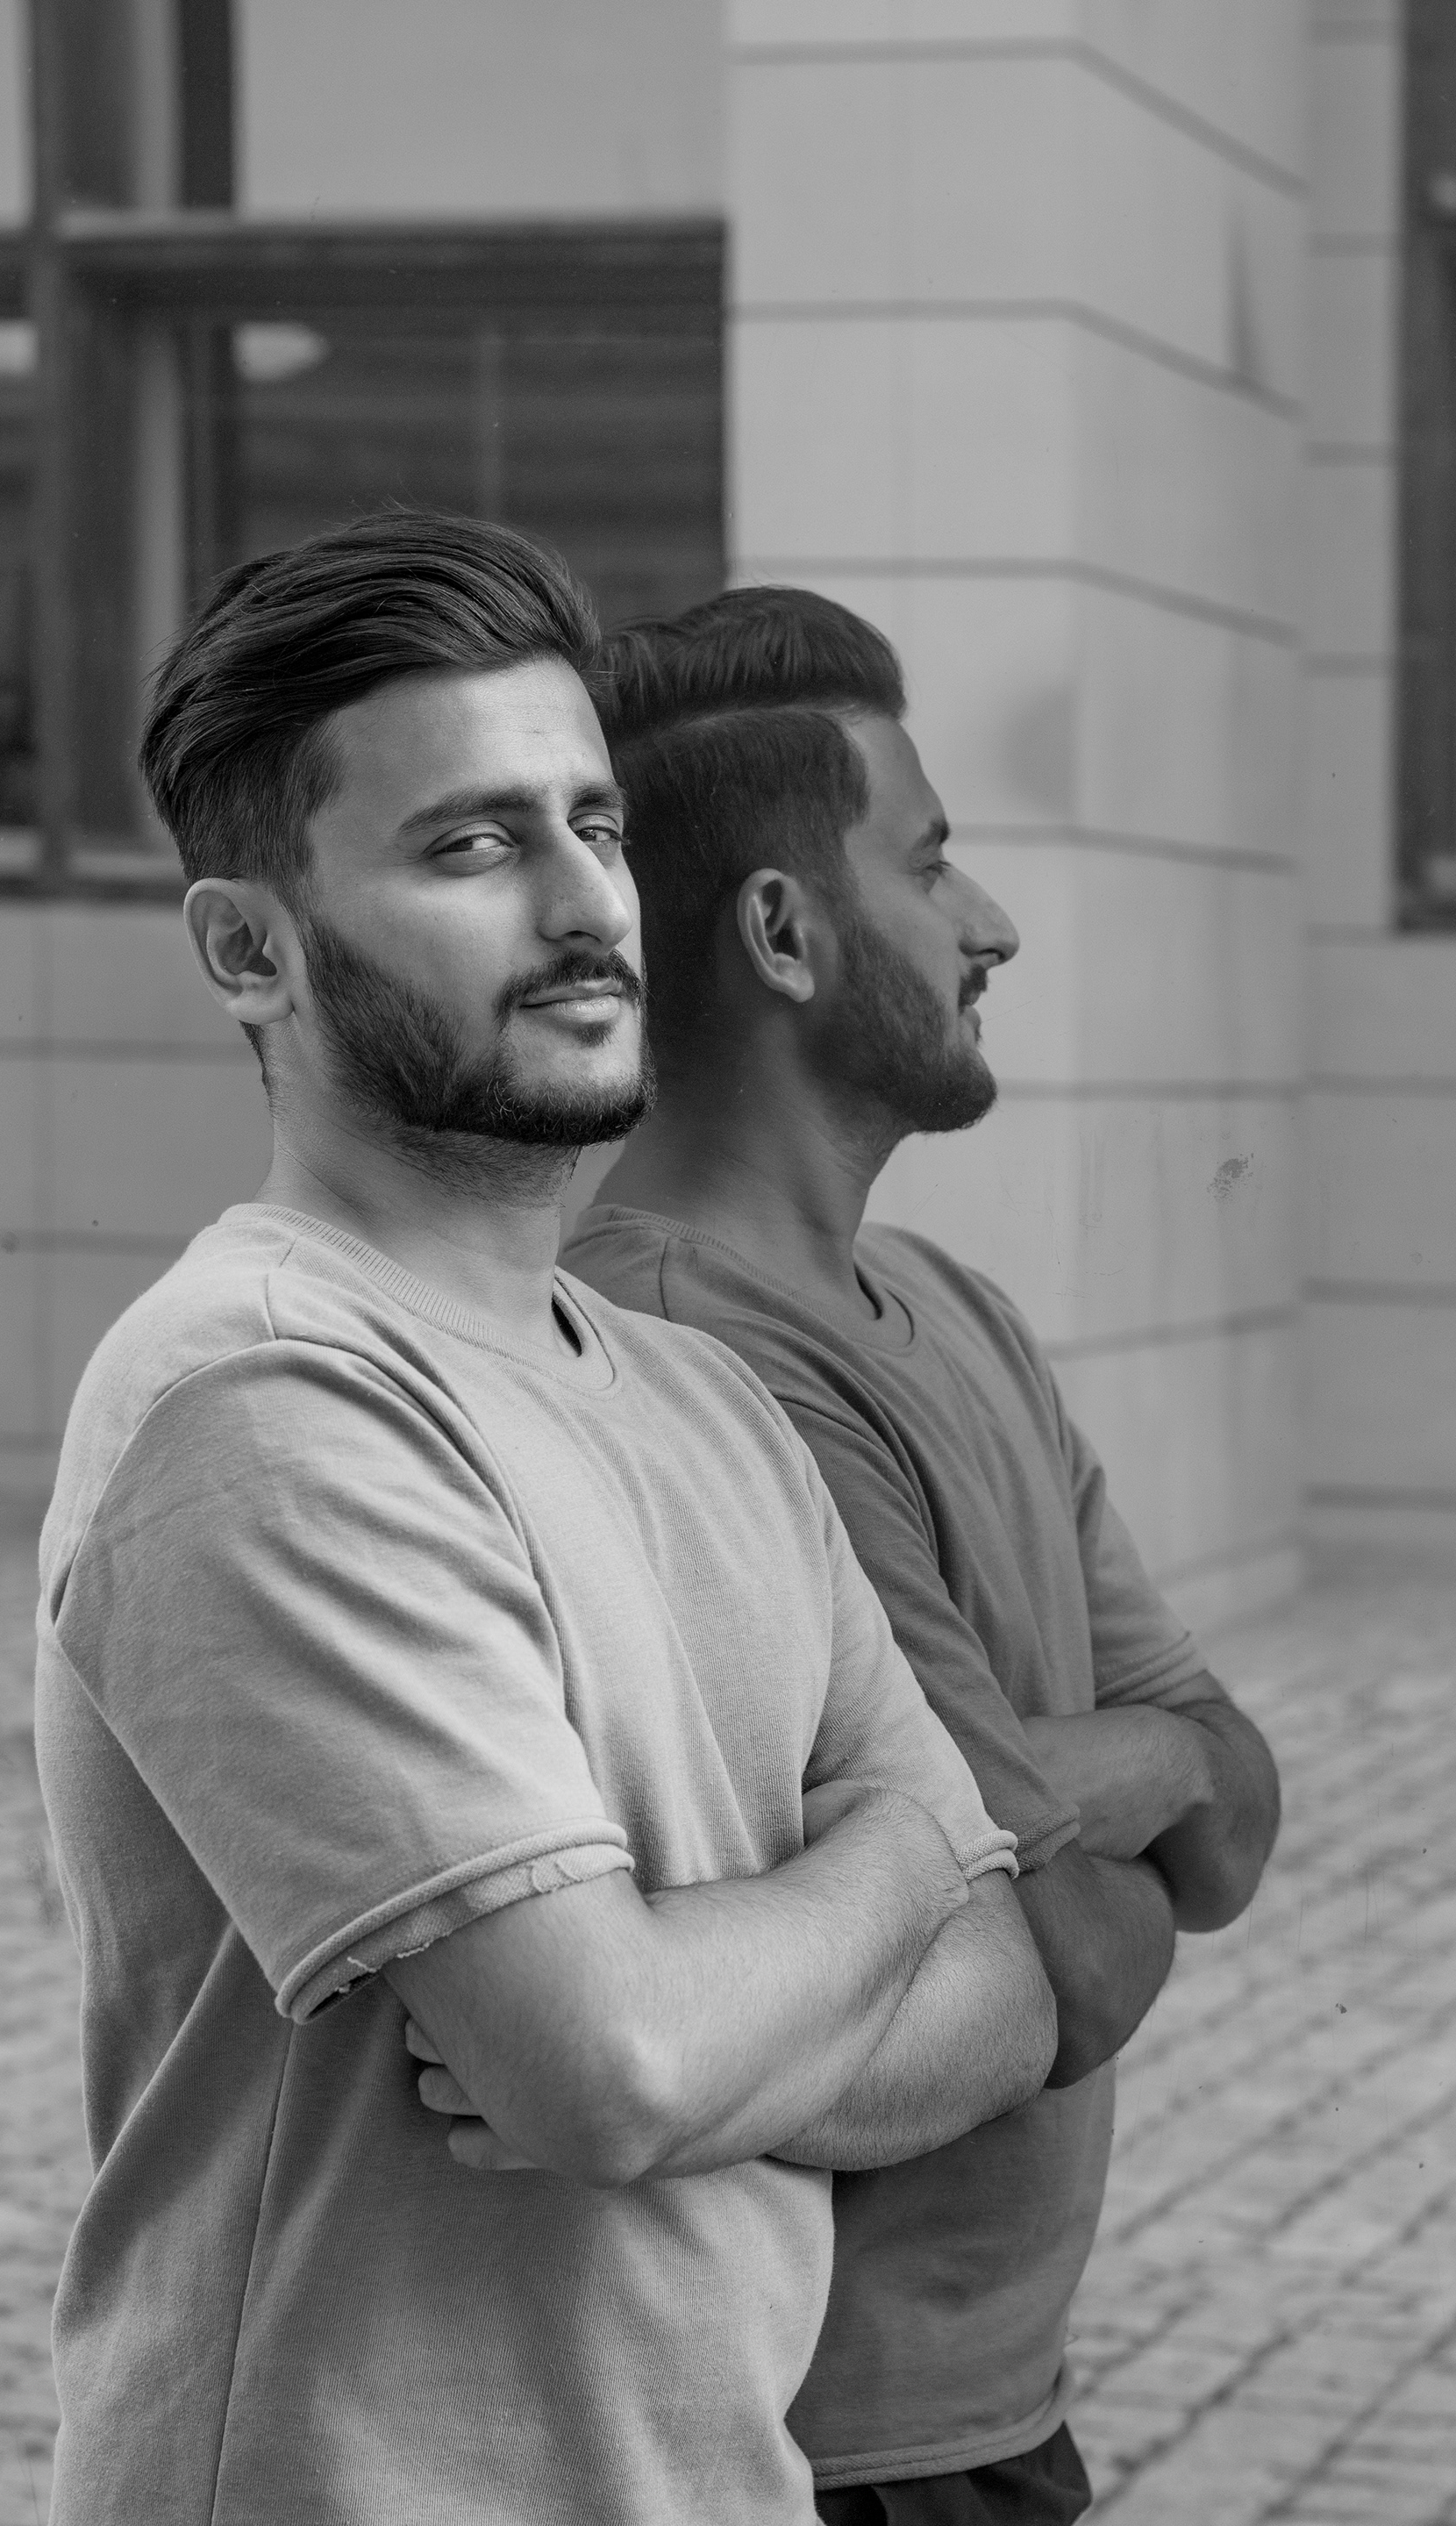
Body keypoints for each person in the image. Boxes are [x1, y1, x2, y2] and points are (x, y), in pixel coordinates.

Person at [34, 516, 1058, 2526]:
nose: (590, 904)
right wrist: (901, 1860)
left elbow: (1006, 2000)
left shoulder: (708, 1406)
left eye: (594, 825)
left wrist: (697, 2023)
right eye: (473, 846)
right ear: (249, 950)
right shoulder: (262, 1402)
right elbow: (612, 2068)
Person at [563, 585, 1282, 2526]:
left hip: (990, 2416)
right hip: (812, 2446)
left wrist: (1130, 1769)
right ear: (784, 934)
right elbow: (1077, 1969)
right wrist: (1143, 1776)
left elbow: (1233, 1810)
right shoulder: (685, 1356)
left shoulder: (957, 1313)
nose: (994, 924)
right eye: (934, 860)